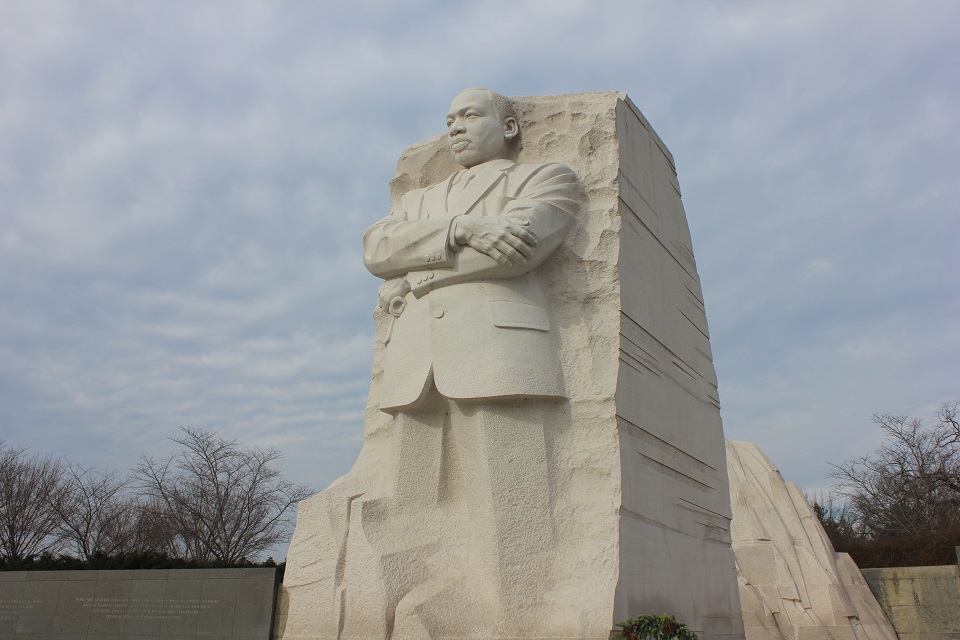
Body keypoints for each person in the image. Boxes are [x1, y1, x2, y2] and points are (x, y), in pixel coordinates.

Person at [349, 88, 583, 638]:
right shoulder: (420, 199)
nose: (455, 127)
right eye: (449, 119)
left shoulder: (545, 178)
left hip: (499, 351)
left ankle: (517, 621)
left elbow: (523, 249)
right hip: (414, 365)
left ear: (507, 127)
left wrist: (419, 274)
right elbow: (377, 251)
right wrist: (463, 229)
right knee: (407, 509)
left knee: (512, 508)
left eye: (470, 115)